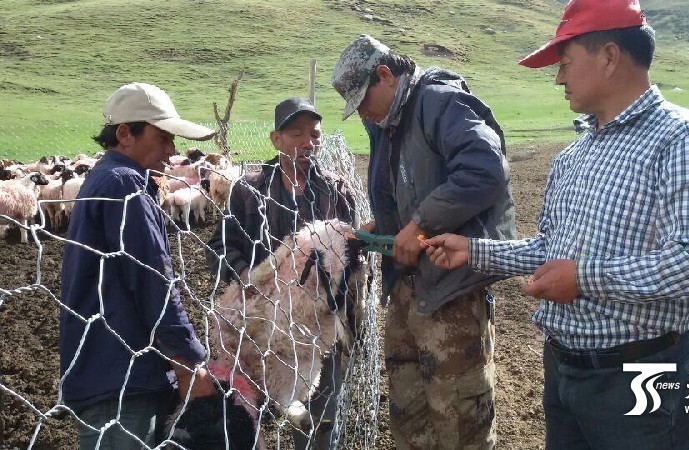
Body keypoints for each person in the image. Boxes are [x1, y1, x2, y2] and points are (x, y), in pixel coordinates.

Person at [424, 1, 689, 449]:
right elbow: (552, 250)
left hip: (642, 374)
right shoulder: (574, 158)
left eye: (565, 64)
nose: (558, 78)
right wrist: (473, 250)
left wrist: (584, 279)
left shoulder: (685, 141)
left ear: (609, 56)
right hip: (564, 368)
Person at [331, 35, 516, 449]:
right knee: (408, 414)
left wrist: (419, 225)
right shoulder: (387, 123)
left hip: (450, 293)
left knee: (459, 420)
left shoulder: (439, 102)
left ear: (385, 75)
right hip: (405, 289)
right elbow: (411, 185)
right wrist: (387, 221)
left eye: (362, 100)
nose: (362, 112)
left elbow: (484, 170)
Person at [59, 82, 217, 449]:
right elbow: (153, 282)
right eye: (163, 137)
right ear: (125, 133)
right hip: (121, 377)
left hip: (112, 367)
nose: (171, 149)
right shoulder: (125, 185)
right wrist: (189, 360)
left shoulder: (107, 180)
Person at [205, 97, 355, 449]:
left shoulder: (334, 190)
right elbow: (219, 244)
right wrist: (245, 275)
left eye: (315, 134)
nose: (308, 141)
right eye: (296, 133)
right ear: (276, 139)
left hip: (318, 321)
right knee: (249, 399)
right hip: (261, 322)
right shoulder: (250, 190)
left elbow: (351, 254)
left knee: (320, 404)